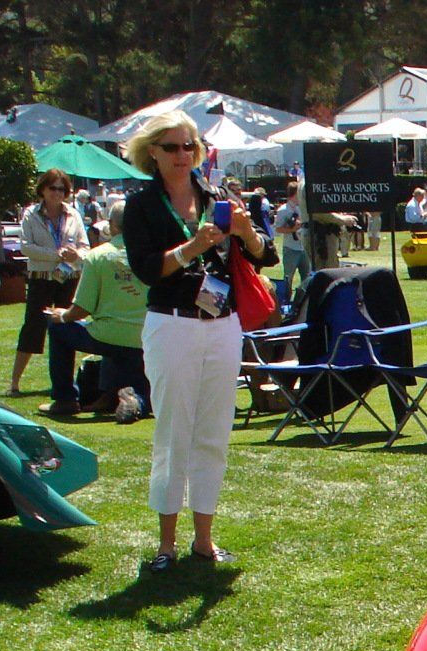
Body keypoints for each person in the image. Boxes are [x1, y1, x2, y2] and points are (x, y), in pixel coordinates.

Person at [121, 109, 276, 570]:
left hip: (222, 324)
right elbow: (147, 269)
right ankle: (166, 543)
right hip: (172, 324)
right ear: (152, 152)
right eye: (172, 147)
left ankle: (204, 539)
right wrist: (192, 247)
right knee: (173, 432)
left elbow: (264, 256)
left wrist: (247, 233)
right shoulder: (141, 206)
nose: (182, 155)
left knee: (213, 433)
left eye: (190, 145)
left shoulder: (217, 196)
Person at [38, 200, 150, 423]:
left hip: (107, 336)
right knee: (139, 386)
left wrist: (62, 315)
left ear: (111, 225)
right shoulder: (154, 255)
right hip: (145, 338)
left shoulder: (97, 256)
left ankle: (65, 399)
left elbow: (81, 309)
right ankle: (124, 397)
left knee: (59, 328)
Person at [10, 169, 88, 395]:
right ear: (42, 189)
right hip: (41, 278)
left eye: (62, 189)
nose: (57, 193)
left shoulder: (74, 214)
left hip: (68, 277)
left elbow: (85, 247)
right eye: (52, 188)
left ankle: (64, 383)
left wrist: (76, 255)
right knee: (33, 327)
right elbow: (26, 247)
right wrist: (56, 254)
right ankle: (15, 382)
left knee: (66, 326)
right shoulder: (30, 214)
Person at [274, 179, 309, 294]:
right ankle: (286, 300)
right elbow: (278, 228)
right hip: (291, 248)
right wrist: (292, 229)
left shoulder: (301, 208)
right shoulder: (283, 210)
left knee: (307, 277)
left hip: (303, 247)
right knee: (288, 278)